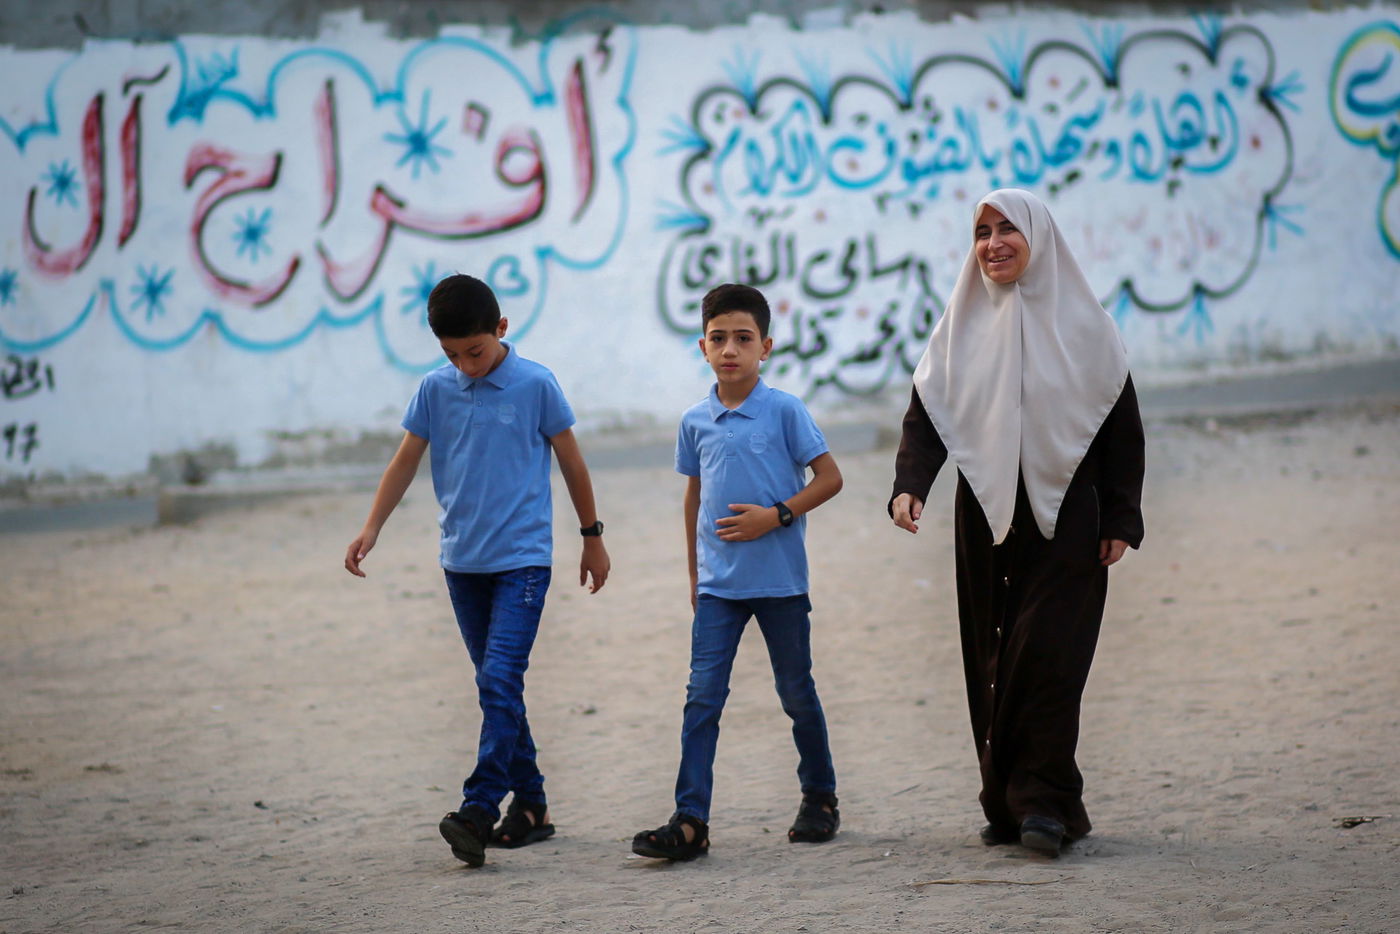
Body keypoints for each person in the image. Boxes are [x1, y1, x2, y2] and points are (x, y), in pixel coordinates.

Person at [889, 189, 1145, 856]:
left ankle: (1046, 804)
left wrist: (1122, 516)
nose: (993, 243)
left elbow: (1121, 428)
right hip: (985, 518)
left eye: (1008, 229)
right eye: (982, 232)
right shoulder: (960, 326)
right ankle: (1008, 803)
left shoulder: (1088, 328)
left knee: (1051, 657)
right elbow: (929, 413)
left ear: (1040, 238)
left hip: (1072, 519)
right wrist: (910, 485)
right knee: (993, 656)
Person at [344, 273, 610, 868]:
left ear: (502, 328)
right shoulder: (434, 389)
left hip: (524, 562)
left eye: (476, 351)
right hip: (461, 564)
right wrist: (372, 527)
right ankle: (532, 804)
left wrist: (591, 537)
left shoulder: (536, 384)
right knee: (497, 686)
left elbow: (572, 462)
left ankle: (479, 806)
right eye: (452, 355)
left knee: (498, 681)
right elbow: (404, 461)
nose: (466, 366)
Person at [631, 283, 845, 861]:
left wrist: (775, 516)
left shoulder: (785, 411)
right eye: (718, 338)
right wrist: (694, 574)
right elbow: (694, 497)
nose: (730, 349)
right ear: (702, 346)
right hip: (718, 588)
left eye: (743, 339)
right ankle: (691, 820)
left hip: (780, 583)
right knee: (702, 699)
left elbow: (829, 478)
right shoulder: (694, 421)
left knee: (796, 692)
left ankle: (820, 798)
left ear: (765, 347)